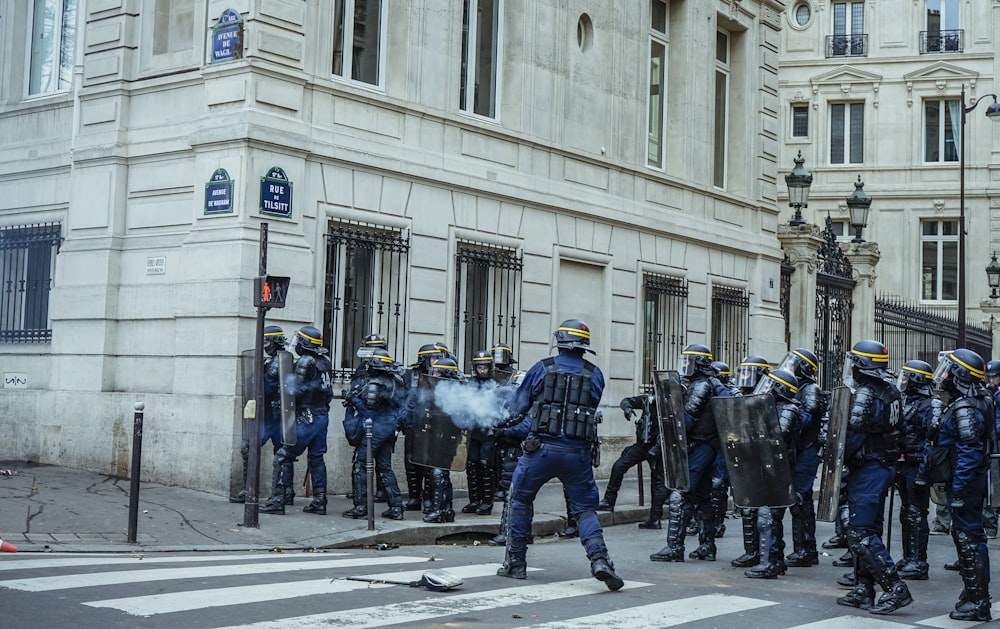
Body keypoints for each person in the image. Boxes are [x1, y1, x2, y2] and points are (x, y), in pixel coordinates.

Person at [496, 319, 624, 591]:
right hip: (577, 454)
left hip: (540, 450)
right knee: (585, 511)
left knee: (520, 500)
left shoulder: (542, 368)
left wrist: (502, 423)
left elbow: (519, 406)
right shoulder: (595, 373)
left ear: (560, 341)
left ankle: (516, 563)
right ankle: (600, 560)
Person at [836, 340, 911, 615]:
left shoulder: (867, 393)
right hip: (882, 466)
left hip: (868, 468)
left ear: (863, 365)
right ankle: (863, 589)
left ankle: (895, 588)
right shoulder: (890, 389)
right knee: (869, 529)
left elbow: (853, 436)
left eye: (855, 362)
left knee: (860, 532)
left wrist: (837, 458)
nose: (852, 366)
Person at [919, 349, 994, 621]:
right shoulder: (974, 400)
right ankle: (973, 594)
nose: (944, 375)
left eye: (949, 370)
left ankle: (978, 601)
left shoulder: (965, 406)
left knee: (969, 539)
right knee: (968, 537)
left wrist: (960, 489)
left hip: (967, 482)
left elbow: (969, 451)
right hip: (968, 481)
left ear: (960, 375)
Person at [650, 344, 732, 563]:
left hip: (699, 446)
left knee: (680, 492)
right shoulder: (702, 384)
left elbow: (685, 421)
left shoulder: (700, 386)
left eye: (689, 361)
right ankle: (707, 546)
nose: (685, 365)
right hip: (706, 446)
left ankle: (675, 547)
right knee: (704, 497)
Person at [260, 326, 334, 515]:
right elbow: (329, 394)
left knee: (282, 456)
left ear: (304, 343)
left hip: (306, 417)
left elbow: (296, 392)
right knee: (316, 459)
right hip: (322, 416)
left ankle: (278, 499)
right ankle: (319, 501)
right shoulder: (325, 361)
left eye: (299, 340)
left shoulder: (305, 361)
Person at [744, 369, 801, 579]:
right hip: (767, 466)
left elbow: (777, 435)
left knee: (769, 515)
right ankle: (774, 561)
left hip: (780, 468)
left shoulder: (788, 409)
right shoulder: (769, 407)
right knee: (769, 515)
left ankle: (770, 563)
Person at [341, 348, 408, 520]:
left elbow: (367, 410)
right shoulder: (396, 381)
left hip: (376, 429)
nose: (367, 366)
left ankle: (361, 507)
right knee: (384, 468)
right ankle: (396, 508)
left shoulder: (376, 383)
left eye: (370, 363)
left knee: (360, 466)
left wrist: (351, 399)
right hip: (390, 428)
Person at [230, 325, 294, 504]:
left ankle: (261, 491)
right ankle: (283, 493)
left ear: (275, 341)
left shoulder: (277, 362)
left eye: (267, 341)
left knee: (270, 451)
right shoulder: (277, 359)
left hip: (273, 417)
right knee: (277, 452)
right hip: (272, 416)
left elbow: (264, 386)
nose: (264, 345)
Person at [778, 348, 827, 568]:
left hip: (806, 451)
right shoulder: (794, 386)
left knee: (801, 499)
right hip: (793, 451)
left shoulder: (810, 389)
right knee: (795, 499)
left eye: (794, 363)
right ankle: (802, 549)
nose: (789, 366)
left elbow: (805, 419)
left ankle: (806, 549)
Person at [598, 392, 668, 530]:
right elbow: (626, 400)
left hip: (659, 447)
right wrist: (627, 409)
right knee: (619, 466)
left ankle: (655, 518)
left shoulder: (671, 404)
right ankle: (608, 501)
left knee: (658, 482)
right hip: (643, 444)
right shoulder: (647, 401)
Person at [892, 360, 935, 580]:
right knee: (906, 513)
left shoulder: (928, 405)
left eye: (908, 377)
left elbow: (931, 440)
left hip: (918, 463)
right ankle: (908, 557)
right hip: (904, 461)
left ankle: (919, 561)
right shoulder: (906, 400)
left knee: (917, 513)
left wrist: (924, 472)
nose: (904, 381)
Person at [731, 355, 770, 568]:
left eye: (750, 373)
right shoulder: (739, 395)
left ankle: (766, 556)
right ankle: (751, 551)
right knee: (747, 506)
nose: (746, 378)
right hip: (745, 453)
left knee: (763, 511)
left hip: (763, 457)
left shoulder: (766, 395)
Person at [401, 344, 446, 511]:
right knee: (411, 463)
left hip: (431, 427)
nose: (437, 361)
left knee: (428, 464)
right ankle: (414, 497)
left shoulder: (440, 374)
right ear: (424, 359)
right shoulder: (410, 375)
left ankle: (427, 497)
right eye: (434, 358)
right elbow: (401, 399)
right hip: (413, 425)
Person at [421, 356, 464, 523]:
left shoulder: (456, 390)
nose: (435, 374)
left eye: (438, 371)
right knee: (440, 474)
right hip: (436, 436)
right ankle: (447, 509)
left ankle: (440, 511)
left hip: (448, 437)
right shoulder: (438, 389)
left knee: (439, 474)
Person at [461, 350, 499, 516]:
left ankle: (487, 502)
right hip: (473, 431)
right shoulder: (469, 384)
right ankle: (474, 499)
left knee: (485, 465)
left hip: (488, 433)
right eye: (479, 367)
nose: (481, 370)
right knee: (471, 465)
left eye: (484, 367)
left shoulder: (496, 386)